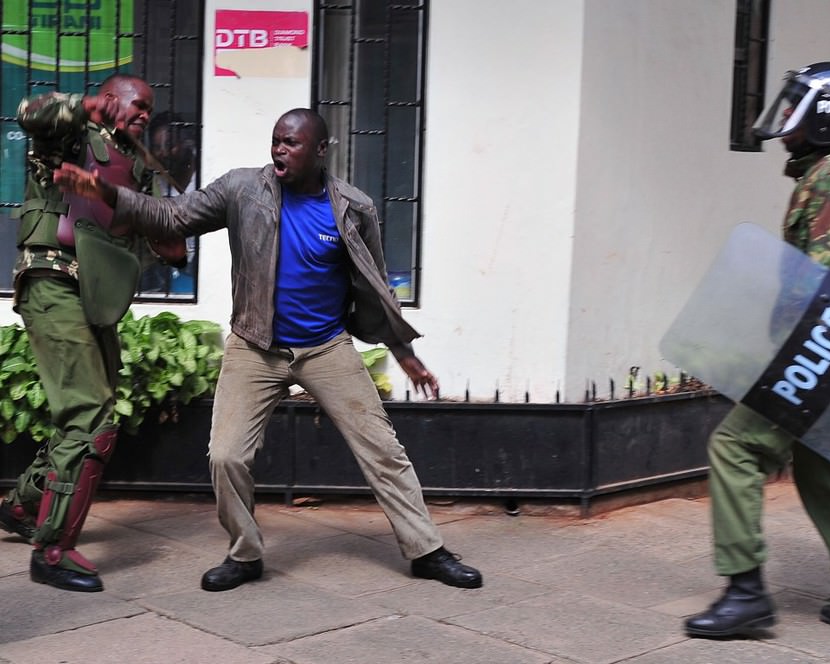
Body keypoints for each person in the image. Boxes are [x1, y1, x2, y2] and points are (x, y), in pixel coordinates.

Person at [53, 108, 483, 592]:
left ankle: (427, 550)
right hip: (255, 345)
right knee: (225, 456)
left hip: (326, 347)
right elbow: (172, 215)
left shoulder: (353, 207)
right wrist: (108, 192)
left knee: (383, 450)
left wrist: (403, 351)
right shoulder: (241, 190)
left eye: (292, 143)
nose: (279, 149)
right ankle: (245, 553)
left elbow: (375, 286)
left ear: (321, 150)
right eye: (276, 140)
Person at [683, 63, 830, 641]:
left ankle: (745, 593)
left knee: (735, 447)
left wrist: (783, 364)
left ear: (826, 121)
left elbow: (823, 290)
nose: (785, 122)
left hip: (828, 348)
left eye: (796, 111)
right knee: (820, 465)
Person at [0, 74, 186, 592]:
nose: (145, 114)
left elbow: (148, 239)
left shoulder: (140, 171)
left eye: (151, 107)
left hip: (94, 300)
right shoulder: (75, 134)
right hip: (52, 281)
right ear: (111, 98)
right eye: (137, 104)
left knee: (91, 412)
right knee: (93, 418)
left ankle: (21, 507)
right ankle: (52, 549)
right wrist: (82, 105)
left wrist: (167, 241)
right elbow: (31, 113)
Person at [138, 111, 199, 294]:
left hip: (195, 274)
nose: (163, 153)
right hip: (160, 271)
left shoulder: (204, 178)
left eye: (169, 145)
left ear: (186, 143)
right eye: (157, 146)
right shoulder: (154, 180)